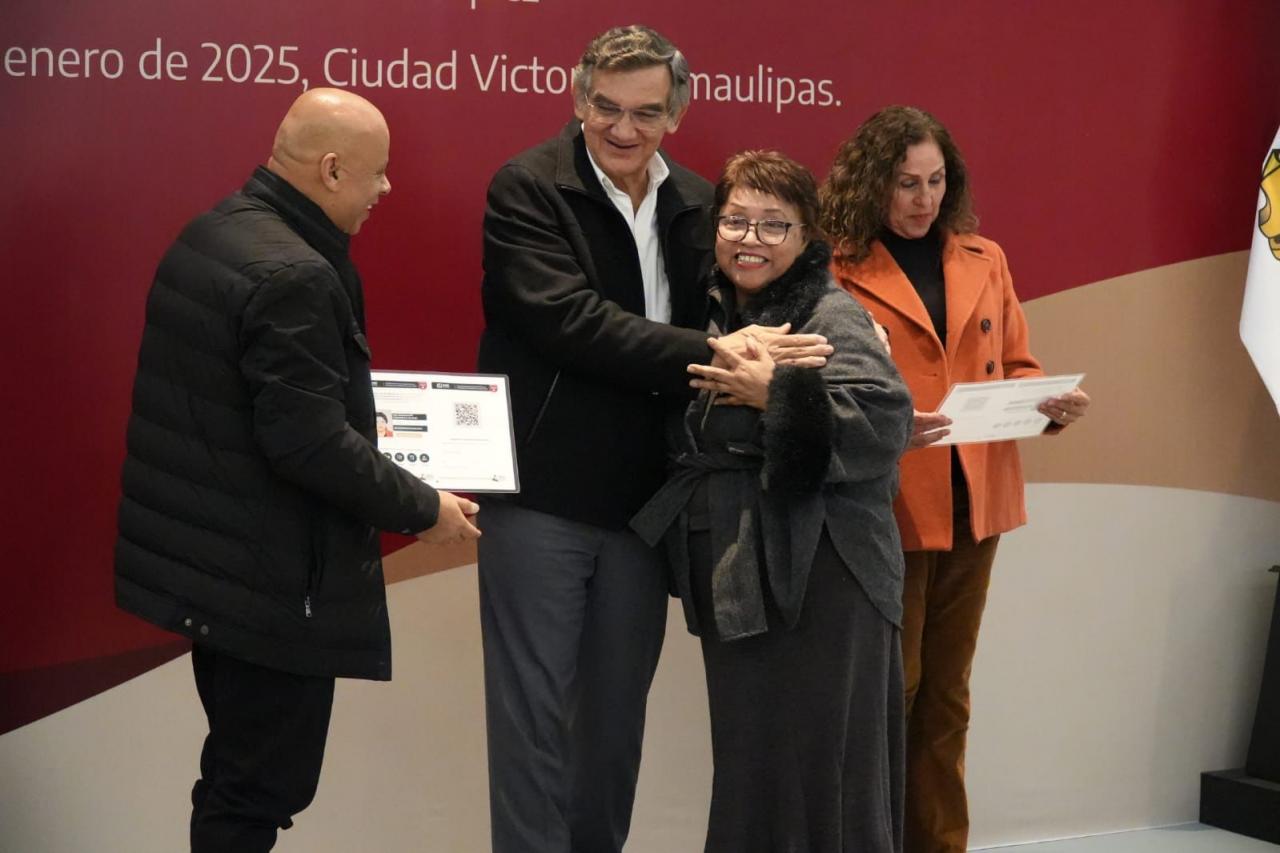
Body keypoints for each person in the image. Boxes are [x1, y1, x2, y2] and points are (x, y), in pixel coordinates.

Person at [476, 26, 831, 853]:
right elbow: (569, 321)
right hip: (539, 494)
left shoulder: (699, 202)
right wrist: (712, 352)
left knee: (613, 729)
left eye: (645, 112)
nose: (623, 128)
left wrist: (846, 343)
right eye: (606, 107)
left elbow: (759, 294)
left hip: (648, 507)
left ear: (676, 113)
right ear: (578, 99)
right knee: (531, 726)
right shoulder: (528, 187)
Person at [114, 88, 481, 852]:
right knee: (257, 790)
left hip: (218, 574)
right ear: (333, 168)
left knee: (236, 778)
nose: (387, 188)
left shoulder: (218, 230)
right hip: (269, 588)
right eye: (378, 172)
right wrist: (425, 508)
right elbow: (308, 443)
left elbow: (268, 410)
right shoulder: (295, 274)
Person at [819, 105, 1091, 853]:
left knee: (946, 698)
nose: (924, 199)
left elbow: (1018, 365)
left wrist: (1049, 404)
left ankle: (940, 845)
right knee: (892, 693)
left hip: (977, 503)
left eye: (937, 181)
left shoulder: (983, 257)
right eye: (907, 183)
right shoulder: (836, 265)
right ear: (872, 183)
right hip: (890, 506)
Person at [632, 150, 913, 852]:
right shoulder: (714, 310)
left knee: (821, 759)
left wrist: (777, 394)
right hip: (747, 567)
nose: (750, 239)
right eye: (735, 221)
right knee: (754, 759)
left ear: (805, 235)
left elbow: (884, 421)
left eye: (773, 224)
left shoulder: (830, 313)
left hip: (825, 570)